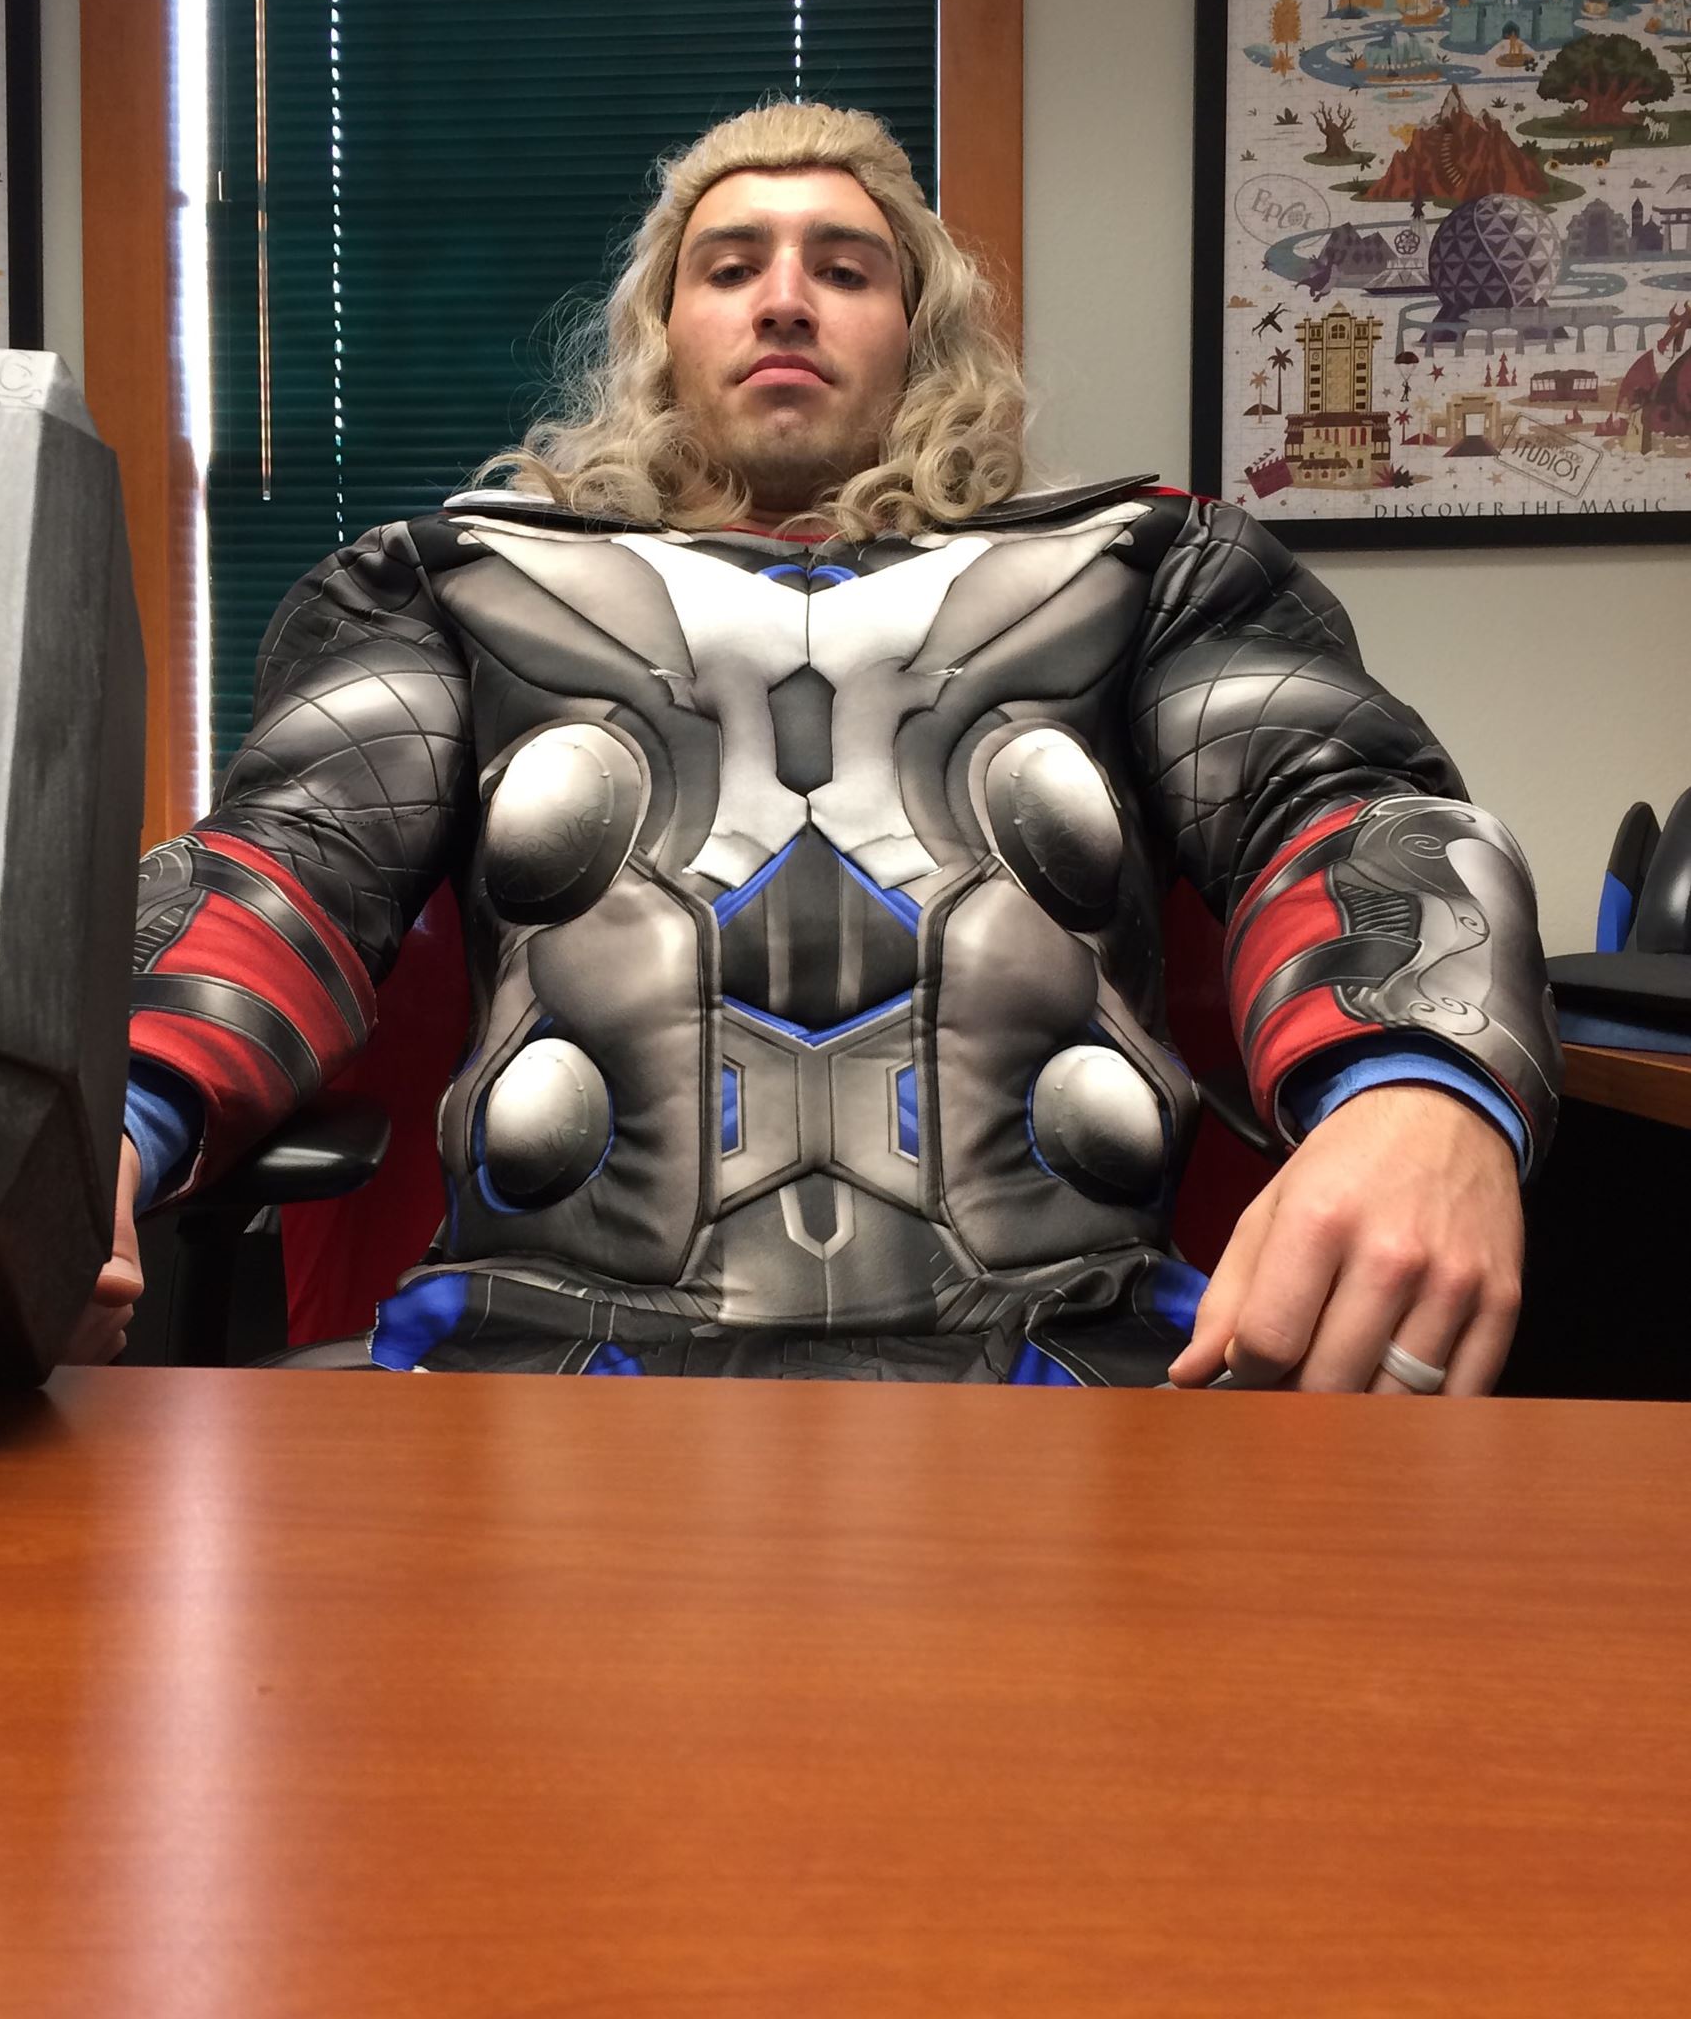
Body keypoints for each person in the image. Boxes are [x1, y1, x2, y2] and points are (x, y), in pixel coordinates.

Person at [76, 101, 1558, 1389]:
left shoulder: (1149, 569)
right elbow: (286, 865)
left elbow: (1332, 800)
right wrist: (96, 1134)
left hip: (1073, 1365)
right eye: (732, 267)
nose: (785, 299)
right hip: (538, 1369)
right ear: (662, 332)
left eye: (844, 269)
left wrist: (1421, 1084)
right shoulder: (454, 584)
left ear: (918, 331)